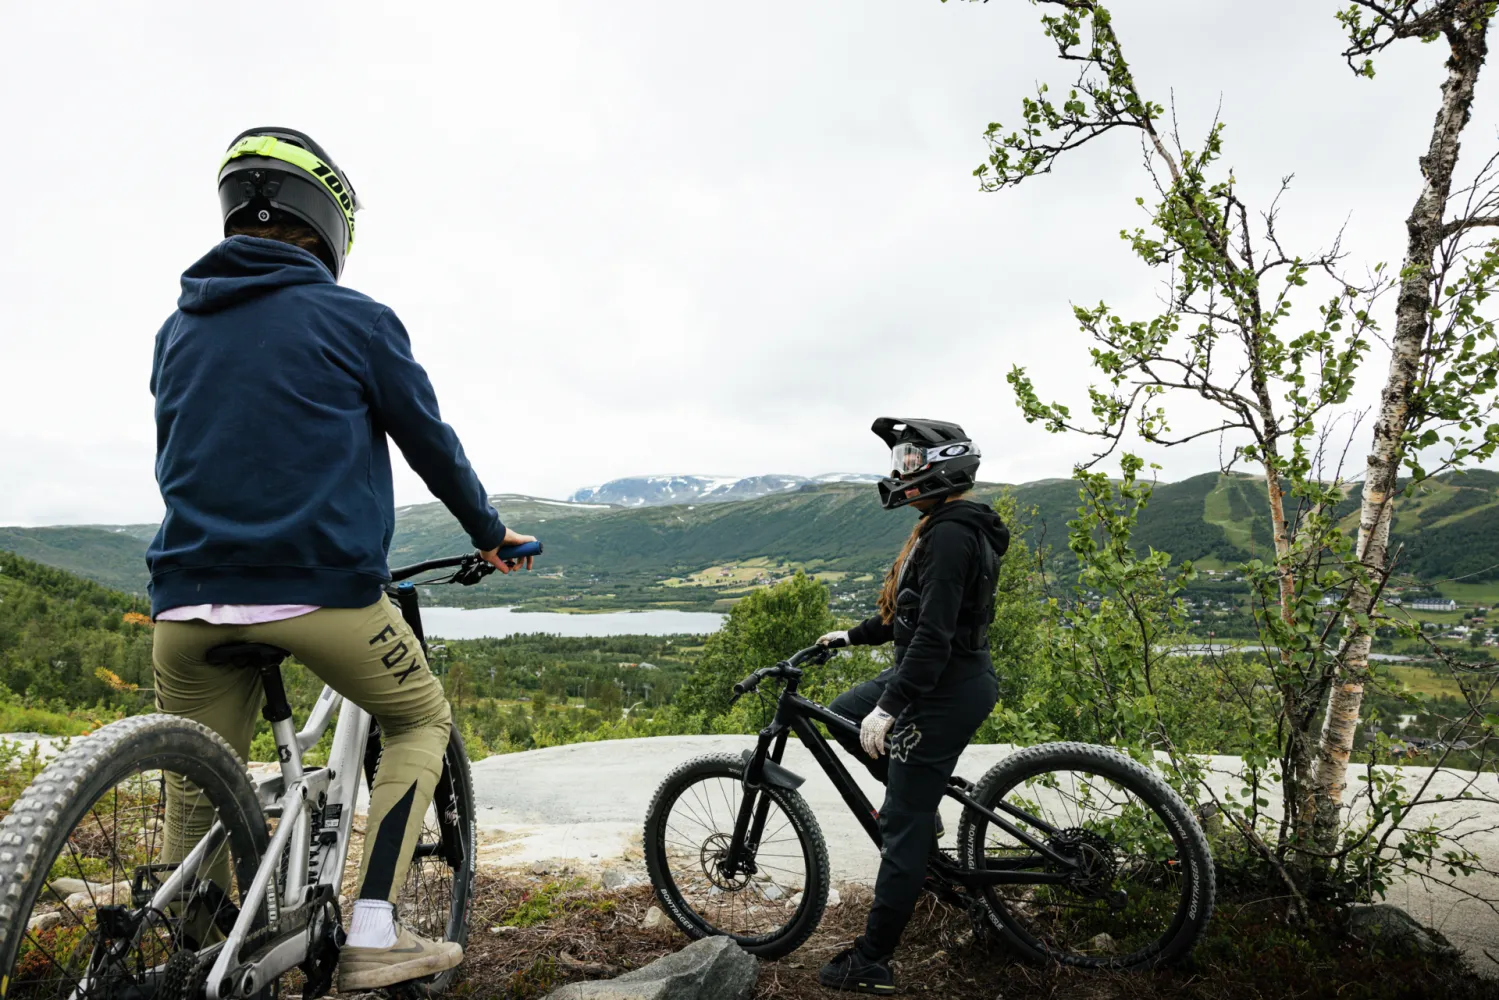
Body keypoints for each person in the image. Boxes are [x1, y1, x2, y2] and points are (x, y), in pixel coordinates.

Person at [146, 127, 532, 991]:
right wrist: (487, 532)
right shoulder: (356, 318)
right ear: (329, 223)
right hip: (321, 595)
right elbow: (429, 442)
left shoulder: (178, 328)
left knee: (198, 782)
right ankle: (372, 931)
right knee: (420, 720)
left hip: (184, 602)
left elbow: (182, 451)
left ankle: (188, 948)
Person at [814, 417, 1009, 994]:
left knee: (901, 820)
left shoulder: (950, 533)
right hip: (929, 675)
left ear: (943, 465)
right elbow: (909, 613)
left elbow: (935, 635)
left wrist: (893, 705)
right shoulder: (939, 524)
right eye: (900, 460)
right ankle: (920, 815)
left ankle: (871, 960)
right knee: (843, 715)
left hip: (944, 687)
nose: (900, 472)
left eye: (909, 461)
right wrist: (851, 636)